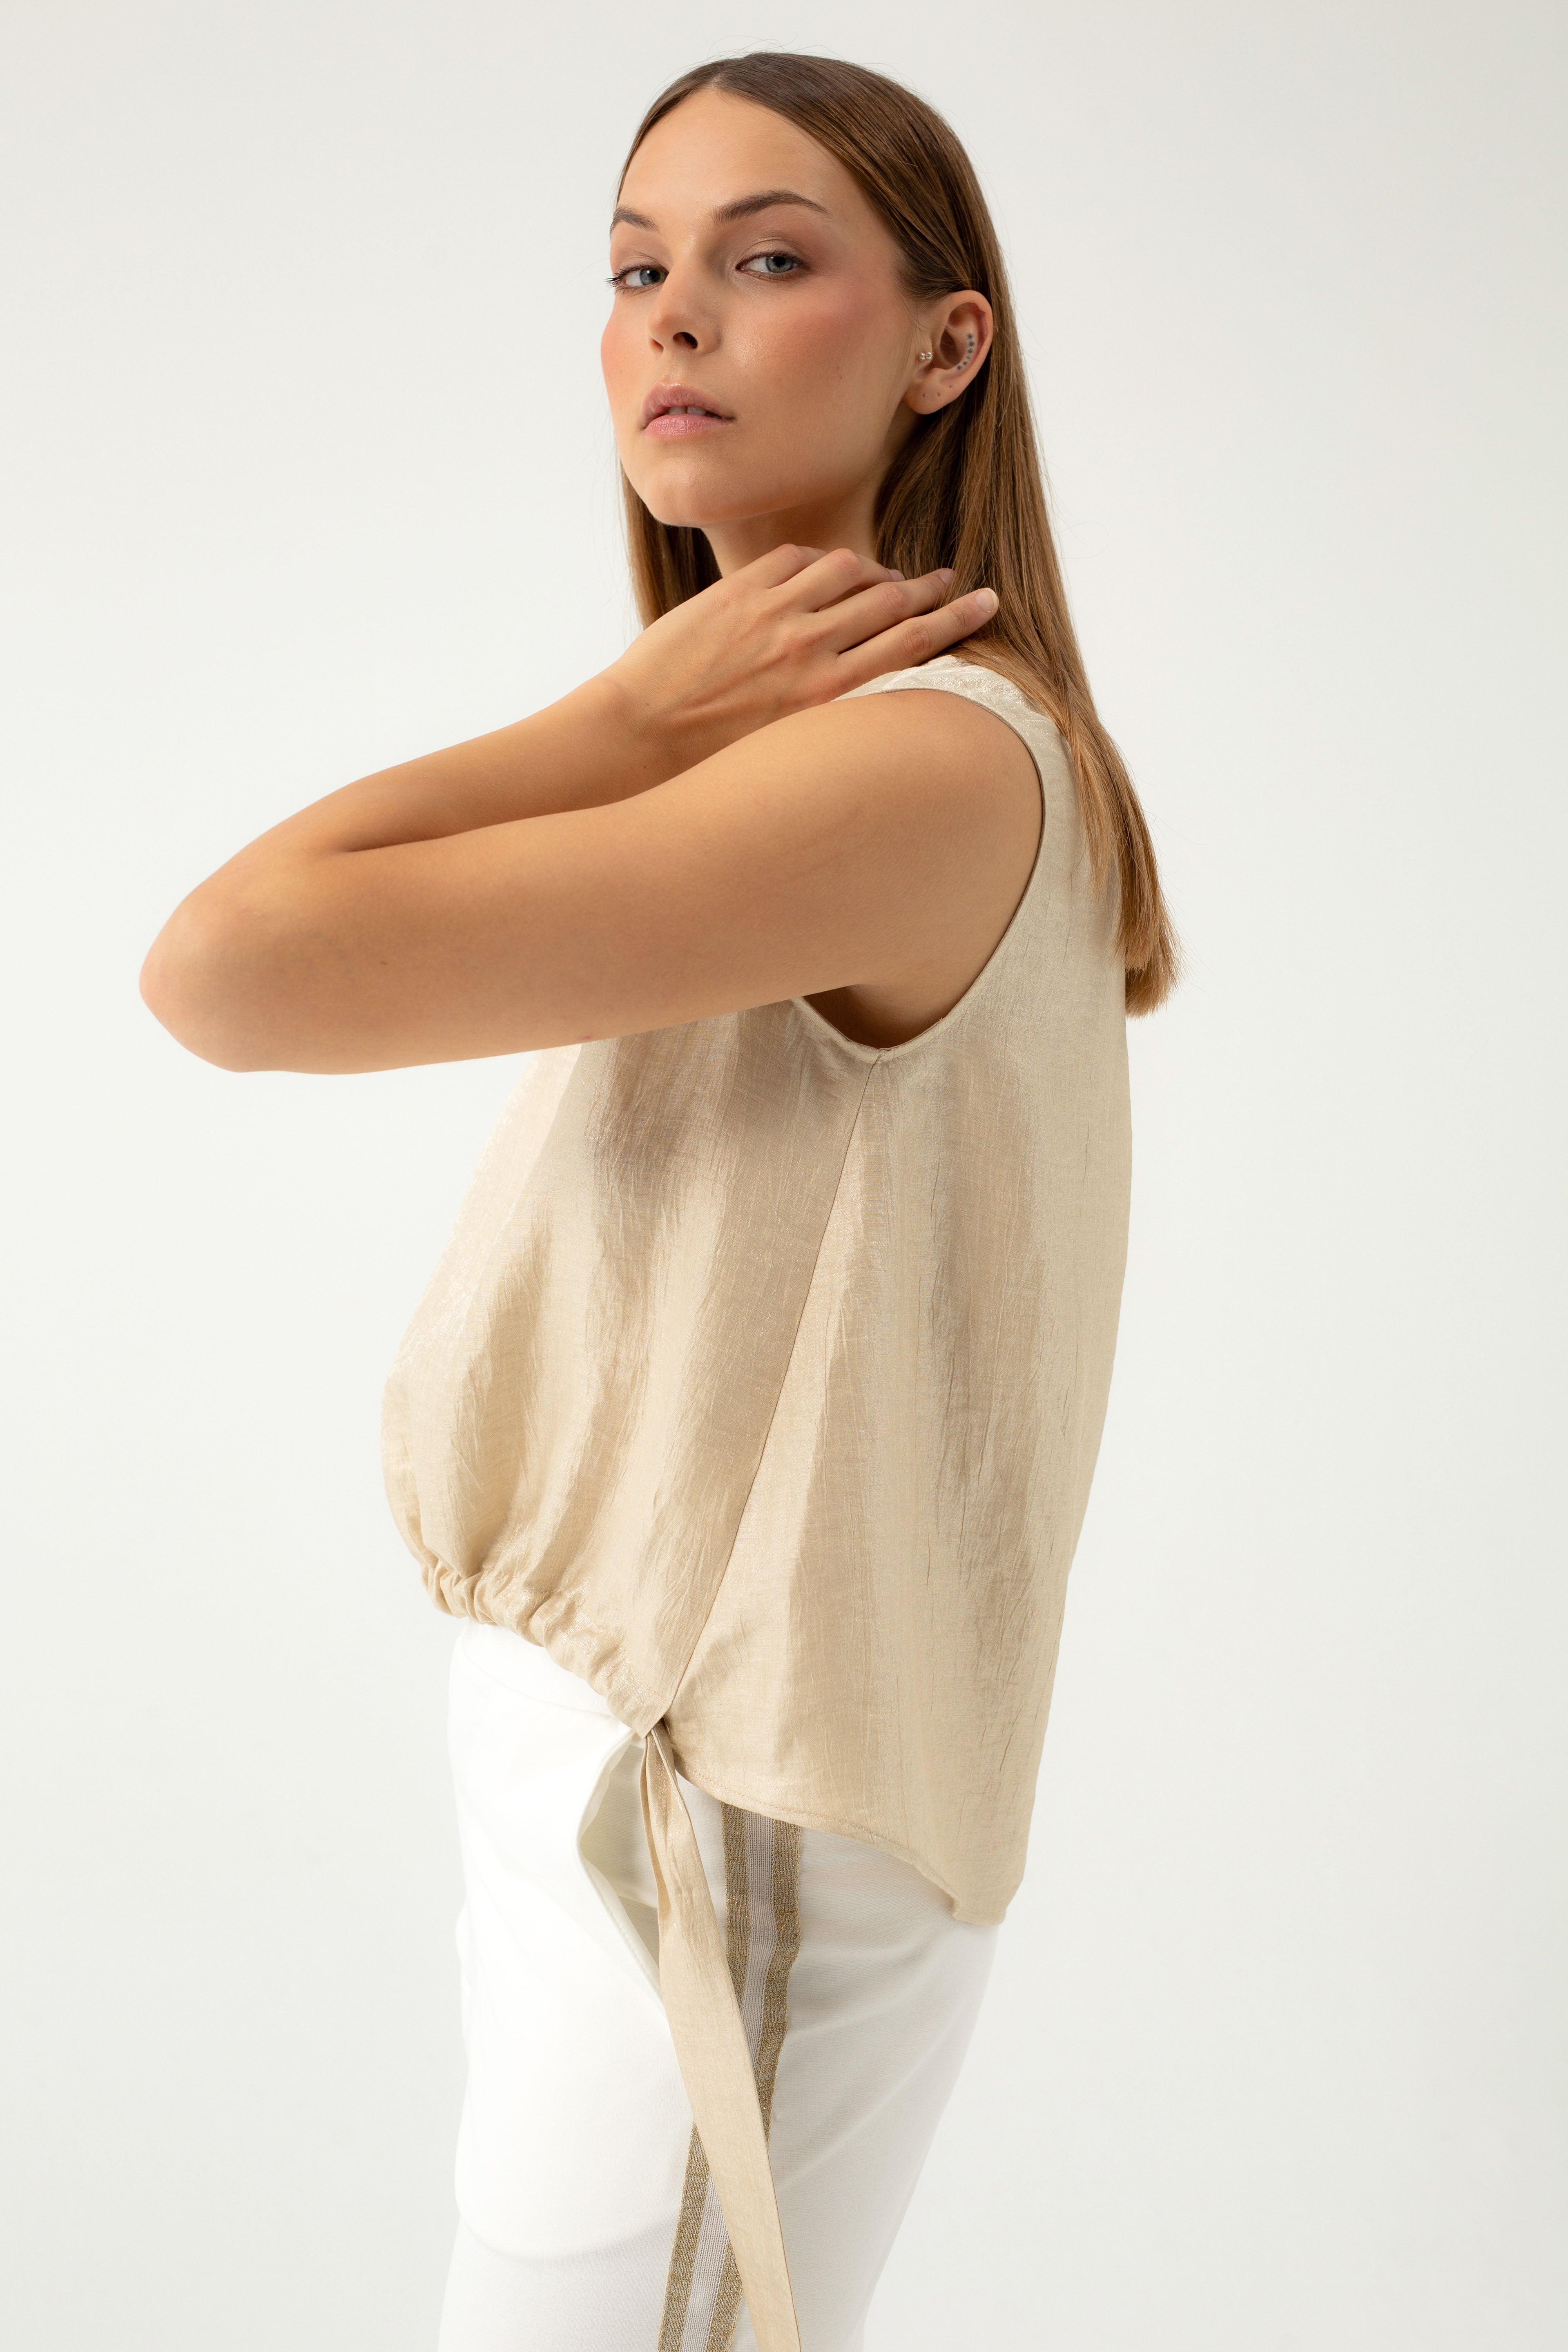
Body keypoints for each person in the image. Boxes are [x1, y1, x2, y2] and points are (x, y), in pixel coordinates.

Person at [141, 49, 1177, 2352]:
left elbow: (224, 967)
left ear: (944, 347)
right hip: (623, 1762)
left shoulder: (917, 766)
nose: (674, 317)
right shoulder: (822, 763)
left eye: (768, 257)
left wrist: (611, 726)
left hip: (721, 1805)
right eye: (635, 269)